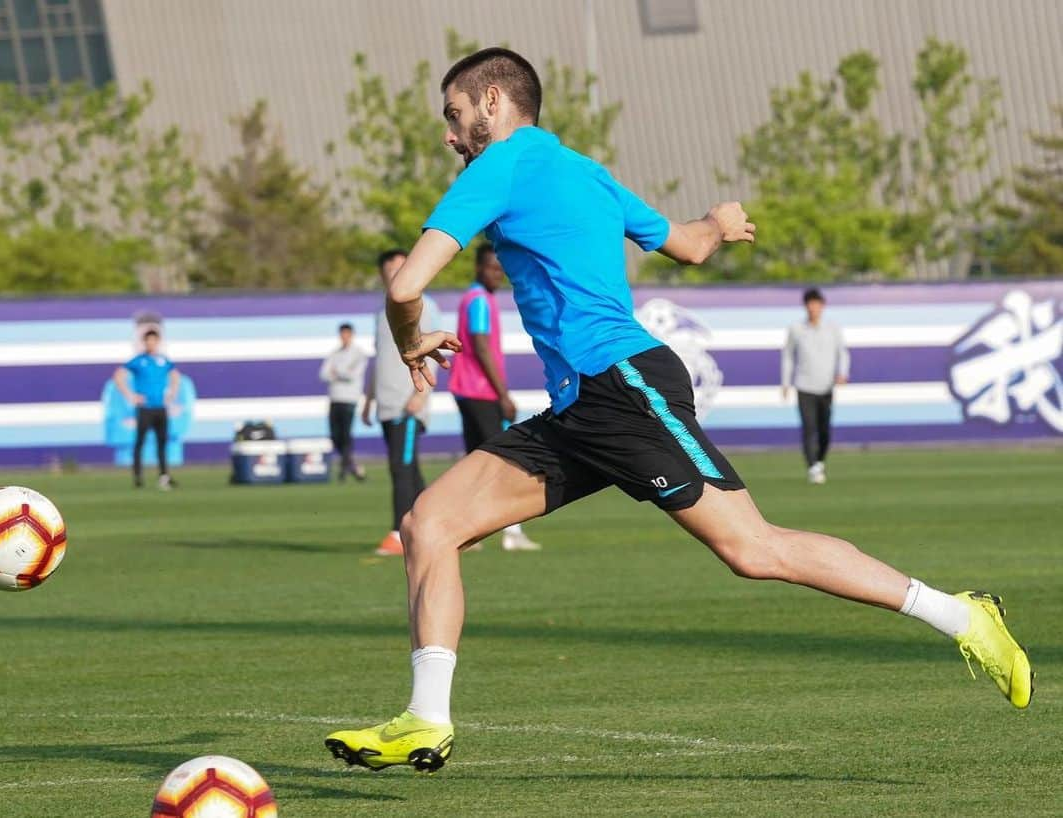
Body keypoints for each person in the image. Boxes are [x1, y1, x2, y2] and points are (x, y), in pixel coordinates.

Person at [325, 48, 1033, 773]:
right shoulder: (586, 172)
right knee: (430, 524)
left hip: (623, 387)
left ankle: (962, 615)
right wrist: (718, 223)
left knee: (753, 550)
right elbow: (689, 247)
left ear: (495, 101)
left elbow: (406, 286)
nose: (450, 135)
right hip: (580, 406)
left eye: (454, 115)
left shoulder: (496, 168)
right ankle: (426, 718)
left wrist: (412, 343)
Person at [449, 242, 541, 551]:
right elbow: (481, 345)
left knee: (475, 463)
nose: (497, 275)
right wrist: (503, 393)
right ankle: (511, 532)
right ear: (479, 268)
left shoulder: (472, 298)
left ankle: (467, 532)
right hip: (481, 391)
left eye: (501, 269)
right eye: (492, 268)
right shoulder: (479, 302)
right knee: (503, 462)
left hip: (466, 390)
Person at [363, 249, 443, 556]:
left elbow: (433, 348)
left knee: (401, 467)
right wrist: (368, 399)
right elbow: (380, 356)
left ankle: (399, 534)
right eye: (390, 270)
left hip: (408, 402)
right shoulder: (380, 311)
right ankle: (439, 528)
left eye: (402, 268)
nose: (396, 274)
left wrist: (420, 395)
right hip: (386, 403)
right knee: (410, 470)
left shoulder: (423, 304)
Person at [781, 288, 849, 485]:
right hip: (804, 386)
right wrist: (785, 383)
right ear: (806, 306)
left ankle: (819, 461)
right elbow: (788, 357)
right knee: (809, 428)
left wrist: (842, 373)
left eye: (816, 304)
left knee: (825, 430)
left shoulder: (832, 328)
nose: (813, 308)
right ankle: (812, 466)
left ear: (822, 306)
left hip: (826, 387)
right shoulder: (796, 329)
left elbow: (842, 353)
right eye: (810, 304)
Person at [114, 329, 180, 490]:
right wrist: (130, 395)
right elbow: (119, 376)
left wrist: (172, 392)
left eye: (154, 341)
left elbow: (175, 375)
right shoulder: (138, 361)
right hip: (145, 408)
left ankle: (164, 476)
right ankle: (138, 477)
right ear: (144, 342)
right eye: (148, 341)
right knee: (140, 442)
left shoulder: (163, 361)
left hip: (160, 408)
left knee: (161, 443)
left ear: (158, 342)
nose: (151, 344)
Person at [319, 322, 369, 482]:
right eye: (342, 334)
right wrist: (341, 373)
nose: (344, 337)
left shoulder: (358, 354)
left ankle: (343, 469)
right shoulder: (335, 353)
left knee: (346, 434)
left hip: (349, 398)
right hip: (335, 397)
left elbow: (353, 375)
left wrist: (337, 372)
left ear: (351, 335)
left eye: (347, 334)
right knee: (335, 436)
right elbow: (324, 374)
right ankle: (352, 466)